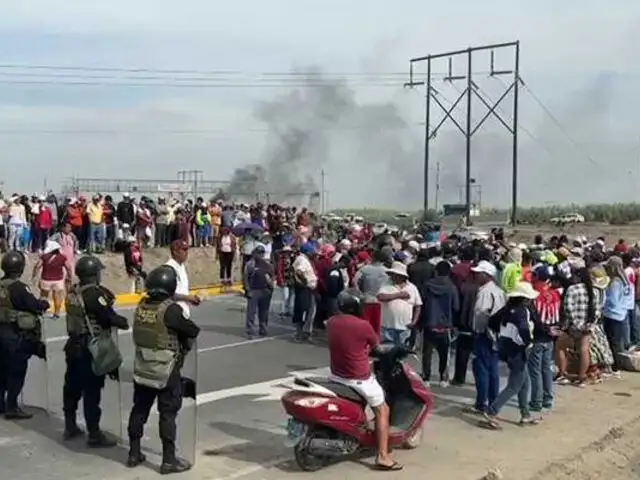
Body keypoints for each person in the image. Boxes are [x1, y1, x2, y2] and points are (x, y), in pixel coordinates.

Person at [127, 265, 201, 474]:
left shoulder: (142, 305)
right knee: (167, 414)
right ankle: (168, 460)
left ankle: (134, 453)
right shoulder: (170, 309)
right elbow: (192, 330)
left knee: (139, 409)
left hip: (143, 367)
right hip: (166, 371)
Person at [326, 289, 402, 471]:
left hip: (337, 375)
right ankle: (383, 456)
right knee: (383, 409)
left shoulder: (332, 322)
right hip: (358, 378)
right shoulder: (363, 326)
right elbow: (377, 347)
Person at [62, 255, 129, 445]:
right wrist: (123, 322)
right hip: (89, 348)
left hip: (74, 345)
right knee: (92, 391)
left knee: (72, 387)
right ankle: (94, 433)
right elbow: (108, 317)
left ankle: (70, 425)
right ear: (93, 274)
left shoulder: (74, 292)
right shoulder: (93, 294)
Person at [482, 282, 540, 430]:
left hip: (507, 349)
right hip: (519, 351)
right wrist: (529, 342)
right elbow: (524, 331)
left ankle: (525, 414)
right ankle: (492, 411)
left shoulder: (507, 309)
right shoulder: (522, 312)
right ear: (524, 299)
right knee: (514, 386)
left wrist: (501, 337)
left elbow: (492, 322)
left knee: (524, 383)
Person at [0, 250, 50, 419]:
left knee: (2, 370)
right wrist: (44, 304)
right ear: (20, 269)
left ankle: (1, 403)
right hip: (15, 337)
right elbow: (34, 305)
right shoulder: (19, 288)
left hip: (2, 336)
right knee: (16, 373)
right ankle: (12, 407)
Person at [470, 260, 506, 414]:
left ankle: (482, 402)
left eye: (478, 273)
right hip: (496, 334)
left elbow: (480, 314)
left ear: (487, 275)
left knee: (482, 369)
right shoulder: (499, 291)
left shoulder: (485, 292)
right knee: (492, 369)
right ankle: (492, 401)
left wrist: (477, 331)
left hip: (484, 334)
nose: (476, 275)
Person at [420, 260, 459, 387]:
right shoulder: (452, 288)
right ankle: (443, 378)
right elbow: (456, 307)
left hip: (429, 323)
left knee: (427, 353)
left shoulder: (427, 285)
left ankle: (426, 378)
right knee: (444, 354)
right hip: (445, 325)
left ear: (436, 271)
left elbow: (422, 303)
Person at [377, 261, 422, 346]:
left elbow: (418, 306)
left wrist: (414, 321)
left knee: (401, 352)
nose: (392, 276)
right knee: (387, 352)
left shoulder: (412, 287)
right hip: (387, 325)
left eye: (395, 274)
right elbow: (380, 297)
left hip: (404, 326)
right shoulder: (386, 285)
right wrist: (398, 295)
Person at [32, 239, 73, 318]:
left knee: (44, 296)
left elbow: (37, 266)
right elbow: (68, 267)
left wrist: (34, 275)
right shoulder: (62, 257)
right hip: (58, 280)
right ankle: (57, 313)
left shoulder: (44, 257)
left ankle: (42, 311)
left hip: (46, 279)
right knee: (57, 296)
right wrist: (69, 277)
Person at [244, 245, 274, 338]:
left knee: (264, 312)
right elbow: (245, 278)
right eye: (259, 253)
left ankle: (263, 329)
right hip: (254, 290)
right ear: (255, 253)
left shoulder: (267, 265)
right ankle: (250, 331)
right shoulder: (250, 264)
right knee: (251, 312)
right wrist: (248, 290)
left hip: (265, 291)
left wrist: (271, 289)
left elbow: (271, 277)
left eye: (262, 253)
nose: (261, 255)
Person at [165, 240, 201, 319]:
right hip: (173, 312)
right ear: (175, 252)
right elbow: (168, 294)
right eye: (184, 249)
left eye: (187, 249)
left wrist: (191, 299)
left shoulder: (181, 266)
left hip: (183, 312)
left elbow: (181, 290)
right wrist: (188, 298)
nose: (186, 252)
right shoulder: (169, 268)